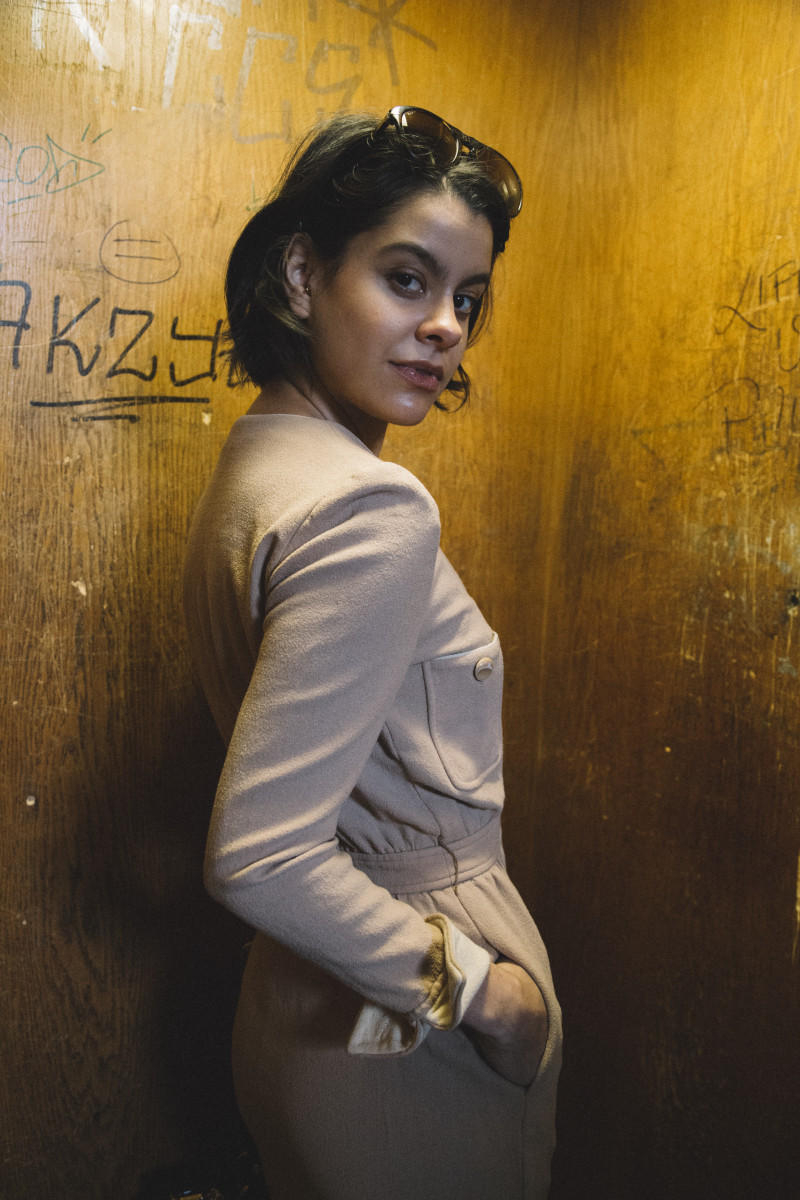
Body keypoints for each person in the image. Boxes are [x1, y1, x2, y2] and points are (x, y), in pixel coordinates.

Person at [183, 106, 562, 1200]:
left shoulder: (258, 460)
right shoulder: (371, 507)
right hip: (402, 1022)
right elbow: (259, 856)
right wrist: (489, 995)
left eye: (467, 299)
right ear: (303, 275)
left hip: (299, 1002)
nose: (445, 327)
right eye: (407, 279)